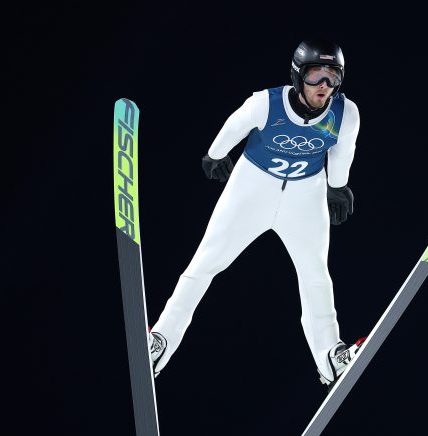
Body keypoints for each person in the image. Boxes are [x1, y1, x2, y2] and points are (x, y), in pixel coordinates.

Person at [149, 39, 362, 390]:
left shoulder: (345, 113)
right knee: (205, 262)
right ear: (298, 76)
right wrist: (216, 154)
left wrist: (337, 186)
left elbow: (343, 150)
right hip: (252, 188)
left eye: (332, 77)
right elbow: (234, 126)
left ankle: (330, 356)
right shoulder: (266, 103)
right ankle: (161, 341)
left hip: (305, 196)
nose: (323, 86)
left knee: (315, 275)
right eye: (315, 76)